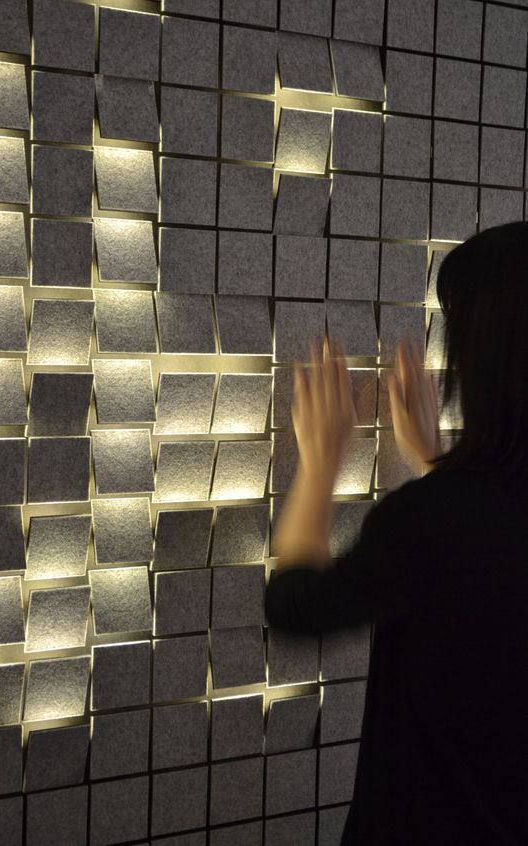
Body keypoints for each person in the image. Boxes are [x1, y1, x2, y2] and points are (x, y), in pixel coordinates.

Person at [264, 221, 528, 845]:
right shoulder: (451, 517)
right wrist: (439, 468)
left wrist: (321, 461)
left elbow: (297, 605)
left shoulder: (431, 520)